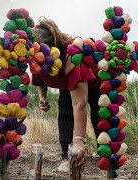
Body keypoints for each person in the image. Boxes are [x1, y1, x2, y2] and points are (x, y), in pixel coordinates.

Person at [31, 18, 101, 170]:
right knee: (64, 113)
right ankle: (66, 156)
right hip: (65, 83)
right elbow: (40, 79)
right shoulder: (35, 57)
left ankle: (104, 155)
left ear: (52, 49)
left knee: (99, 116)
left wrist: (79, 140)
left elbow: (79, 103)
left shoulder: (71, 56)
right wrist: (43, 97)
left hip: (94, 81)